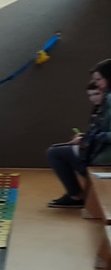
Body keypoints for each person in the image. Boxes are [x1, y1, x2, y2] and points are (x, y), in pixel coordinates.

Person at [47, 59, 111, 208]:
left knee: (55, 153)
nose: (97, 84)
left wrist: (90, 138)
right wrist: (86, 137)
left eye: (99, 79)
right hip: (100, 148)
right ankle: (79, 194)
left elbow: (104, 133)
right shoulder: (106, 99)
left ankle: (76, 196)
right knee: (58, 150)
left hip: (105, 153)